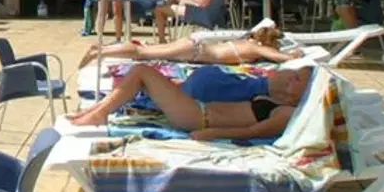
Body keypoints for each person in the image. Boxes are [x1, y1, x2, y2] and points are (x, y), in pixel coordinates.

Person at [66, 63, 313, 140]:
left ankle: (98, 113)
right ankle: (97, 110)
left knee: (142, 72)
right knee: (140, 74)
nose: (292, 77)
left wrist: (209, 134)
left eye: (299, 78)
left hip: (198, 118)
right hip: (198, 110)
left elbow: (251, 131)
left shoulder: (286, 114)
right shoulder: (277, 100)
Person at [78, 24, 305, 69]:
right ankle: (101, 52)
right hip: (197, 51)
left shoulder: (248, 41)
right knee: (142, 52)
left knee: (145, 50)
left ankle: (101, 50)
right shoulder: (257, 48)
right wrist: (294, 53)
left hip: (196, 46)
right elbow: (282, 59)